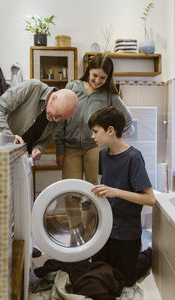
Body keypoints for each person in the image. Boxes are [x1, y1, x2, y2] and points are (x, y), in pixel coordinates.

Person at [53, 53, 133, 236]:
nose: (98, 80)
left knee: (92, 192)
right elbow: (60, 120)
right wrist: (59, 148)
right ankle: (75, 231)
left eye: (103, 78)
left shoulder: (109, 96)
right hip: (70, 148)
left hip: (94, 149)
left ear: (108, 78)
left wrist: (112, 140)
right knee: (71, 191)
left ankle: (90, 232)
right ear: (88, 70)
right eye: (94, 75)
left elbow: (127, 120)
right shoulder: (72, 87)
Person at [88, 106, 155, 286]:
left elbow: (150, 199)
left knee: (125, 280)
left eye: (95, 131)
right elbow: (108, 184)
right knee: (100, 275)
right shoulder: (103, 154)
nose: (93, 136)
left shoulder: (133, 157)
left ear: (110, 130)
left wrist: (115, 191)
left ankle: (149, 252)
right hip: (105, 228)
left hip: (126, 232)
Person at [0, 79, 78, 160]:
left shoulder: (58, 115)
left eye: (62, 118)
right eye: (58, 115)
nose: (57, 120)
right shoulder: (33, 87)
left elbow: (46, 139)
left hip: (17, 159)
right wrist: (9, 136)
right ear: (53, 98)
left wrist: (38, 148)